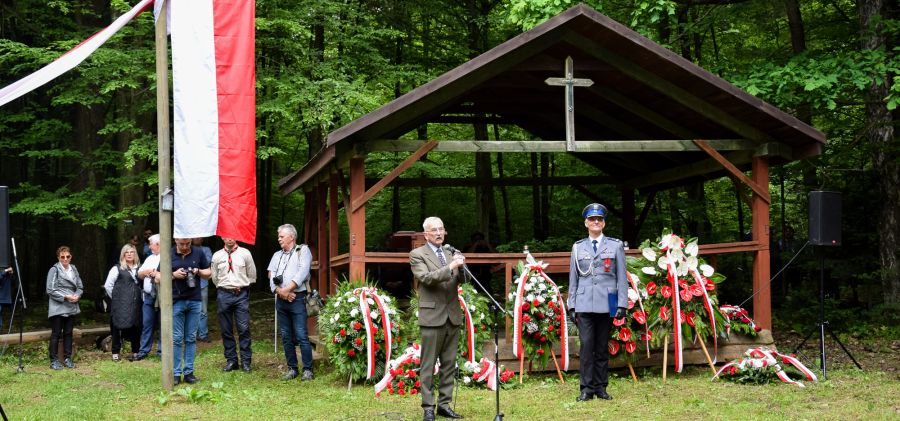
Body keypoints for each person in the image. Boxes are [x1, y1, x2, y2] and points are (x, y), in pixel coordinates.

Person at [567, 203, 627, 402]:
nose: (595, 222)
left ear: (604, 223)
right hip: (584, 303)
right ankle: (586, 388)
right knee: (586, 347)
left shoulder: (615, 246)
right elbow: (573, 279)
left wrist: (622, 304)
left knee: (602, 347)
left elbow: (621, 278)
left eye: (599, 219)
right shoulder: (578, 247)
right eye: (592, 219)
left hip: (607, 302)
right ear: (586, 223)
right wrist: (571, 304)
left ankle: (601, 387)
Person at [409, 216, 466, 421]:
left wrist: (463, 266)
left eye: (441, 229)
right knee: (428, 364)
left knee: (449, 363)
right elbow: (427, 279)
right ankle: (428, 407)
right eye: (434, 230)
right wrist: (451, 267)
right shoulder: (417, 254)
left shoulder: (451, 252)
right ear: (426, 234)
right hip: (432, 316)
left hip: (452, 315)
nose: (439, 233)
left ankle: (444, 404)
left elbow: (462, 279)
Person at [267, 224, 314, 381]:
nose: (278, 238)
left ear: (291, 237)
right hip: (282, 300)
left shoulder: (303, 251)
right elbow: (271, 275)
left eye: (281, 236)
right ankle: (292, 368)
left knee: (301, 334)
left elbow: (302, 273)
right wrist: (282, 293)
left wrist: (287, 289)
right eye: (278, 236)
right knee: (286, 336)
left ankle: (308, 369)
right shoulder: (275, 255)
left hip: (298, 298)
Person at [210, 237, 257, 373]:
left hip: (241, 294)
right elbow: (214, 277)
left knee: (243, 328)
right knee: (226, 329)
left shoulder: (245, 253)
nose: (229, 239)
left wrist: (242, 286)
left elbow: (252, 274)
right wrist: (224, 287)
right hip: (224, 294)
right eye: (226, 236)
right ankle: (231, 360)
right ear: (222, 237)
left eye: (232, 236)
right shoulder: (217, 255)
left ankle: (246, 361)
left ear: (236, 236)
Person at [170, 238, 211, 385]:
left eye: (188, 244)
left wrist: (198, 271)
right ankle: (175, 373)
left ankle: (189, 372)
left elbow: (209, 273)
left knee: (191, 338)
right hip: (176, 300)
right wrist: (174, 275)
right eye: (182, 244)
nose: (185, 247)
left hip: (195, 300)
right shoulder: (168, 253)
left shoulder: (198, 252)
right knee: (176, 338)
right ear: (176, 241)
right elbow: (158, 277)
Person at [46, 246, 83, 370]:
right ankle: (54, 360)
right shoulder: (54, 270)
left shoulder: (74, 269)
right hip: (58, 306)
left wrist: (77, 295)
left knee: (68, 333)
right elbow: (50, 290)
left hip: (71, 306)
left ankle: (67, 358)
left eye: (68, 256)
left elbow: (79, 286)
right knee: (56, 333)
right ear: (58, 257)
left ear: (71, 257)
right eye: (62, 257)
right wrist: (66, 297)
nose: (65, 259)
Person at [103, 244, 143, 362]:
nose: (130, 254)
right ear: (123, 254)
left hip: (136, 304)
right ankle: (115, 352)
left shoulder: (140, 269)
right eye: (127, 252)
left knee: (136, 327)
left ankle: (135, 351)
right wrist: (117, 298)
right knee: (117, 326)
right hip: (120, 304)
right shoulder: (117, 268)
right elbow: (108, 285)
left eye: (132, 252)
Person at [135, 234, 161, 360]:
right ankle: (144, 350)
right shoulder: (149, 258)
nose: (149, 246)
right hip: (148, 296)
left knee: (163, 323)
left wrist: (156, 273)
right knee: (147, 324)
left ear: (158, 244)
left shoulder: (167, 257)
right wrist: (145, 272)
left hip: (161, 296)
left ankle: (162, 351)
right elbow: (139, 274)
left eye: (151, 244)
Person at [193, 237, 213, 343]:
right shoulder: (186, 249)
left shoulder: (206, 249)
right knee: (190, 309)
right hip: (188, 285)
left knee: (203, 310)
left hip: (202, 283)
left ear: (202, 239)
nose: (197, 239)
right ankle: (191, 334)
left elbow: (207, 261)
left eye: (199, 237)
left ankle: (203, 334)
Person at [1, 267, 13, 334]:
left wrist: (11, 274)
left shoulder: (7, 275)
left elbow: (14, 283)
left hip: (3, 298)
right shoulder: (3, 272)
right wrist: (5, 271)